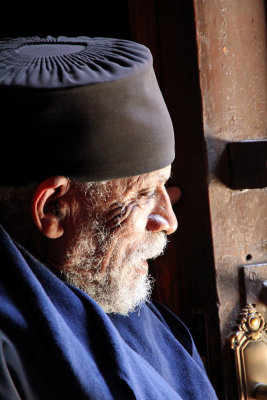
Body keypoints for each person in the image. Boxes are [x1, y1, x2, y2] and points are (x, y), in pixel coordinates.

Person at [0, 36, 218, 399]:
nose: (168, 220)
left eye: (166, 187)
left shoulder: (128, 309)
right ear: (54, 208)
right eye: (145, 194)